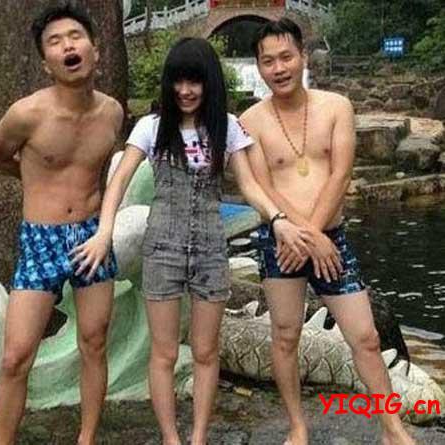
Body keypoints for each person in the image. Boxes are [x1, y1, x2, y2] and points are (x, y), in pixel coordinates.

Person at [71, 37, 311, 445]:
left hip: (211, 250)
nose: (185, 90)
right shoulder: (151, 127)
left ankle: (198, 436)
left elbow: (249, 185)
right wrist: (104, 232)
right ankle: (170, 438)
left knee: (205, 351)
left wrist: (277, 219)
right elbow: (119, 181)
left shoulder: (227, 127)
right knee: (164, 352)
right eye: (178, 81)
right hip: (161, 248)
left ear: (209, 83)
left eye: (194, 82)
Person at [239, 18, 415, 445]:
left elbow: (340, 175)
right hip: (280, 241)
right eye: (268, 61)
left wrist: (316, 236)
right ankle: (297, 426)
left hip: (329, 240)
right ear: (259, 66)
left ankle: (392, 428)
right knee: (285, 336)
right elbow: (261, 187)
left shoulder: (337, 107)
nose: (278, 68)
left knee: (366, 337)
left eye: (286, 57)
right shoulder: (249, 121)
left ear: (302, 56)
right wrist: (300, 237)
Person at [0, 2, 123, 444]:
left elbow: (104, 171)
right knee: (15, 356)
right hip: (40, 239)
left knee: (94, 342)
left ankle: (87, 438)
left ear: (95, 50)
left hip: (91, 235)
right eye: (55, 41)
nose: (68, 46)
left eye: (75, 37)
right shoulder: (26, 114)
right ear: (46, 63)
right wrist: (33, 181)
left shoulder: (112, 113)